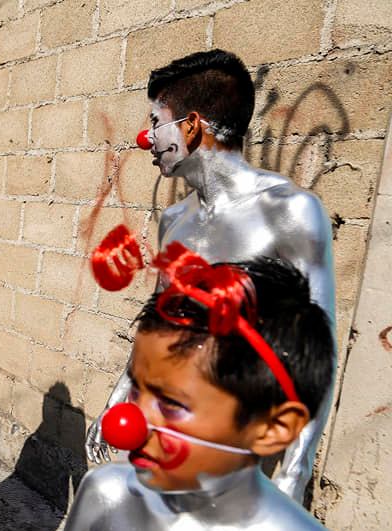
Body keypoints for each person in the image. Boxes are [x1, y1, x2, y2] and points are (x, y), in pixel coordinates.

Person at [10, 247, 385, 531]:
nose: (128, 423)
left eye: (171, 403)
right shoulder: (107, 496)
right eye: (136, 389)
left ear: (274, 427)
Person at [86, 50, 335, 504]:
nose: (147, 139)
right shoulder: (176, 220)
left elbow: (320, 353)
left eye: (155, 121)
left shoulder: (291, 213)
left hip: (233, 455)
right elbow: (160, 325)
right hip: (162, 435)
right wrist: (121, 393)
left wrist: (294, 473)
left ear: (191, 126)